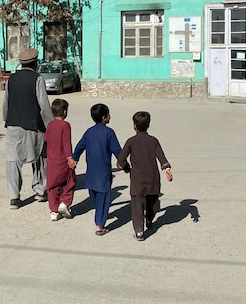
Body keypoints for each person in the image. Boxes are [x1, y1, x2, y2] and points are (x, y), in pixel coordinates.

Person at [3, 47, 53, 209]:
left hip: (13, 125)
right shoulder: (37, 79)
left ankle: (14, 197)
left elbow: (6, 102)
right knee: (39, 157)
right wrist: (51, 126)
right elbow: (44, 106)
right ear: (35, 63)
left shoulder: (11, 79)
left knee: (13, 161)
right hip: (33, 126)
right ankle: (40, 190)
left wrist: (7, 119)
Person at [116, 111, 173, 241]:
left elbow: (121, 161)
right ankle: (149, 219)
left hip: (137, 179)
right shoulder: (153, 141)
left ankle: (139, 231)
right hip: (153, 177)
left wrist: (125, 168)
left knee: (137, 205)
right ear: (149, 125)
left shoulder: (131, 141)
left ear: (134, 126)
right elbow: (161, 157)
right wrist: (167, 169)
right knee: (153, 201)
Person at [69, 103, 121, 236]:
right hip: (103, 172)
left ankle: (99, 214)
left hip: (90, 173)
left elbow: (80, 146)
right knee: (104, 198)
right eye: (108, 114)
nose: (110, 116)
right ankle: (100, 225)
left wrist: (75, 158)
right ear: (104, 117)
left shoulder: (89, 132)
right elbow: (117, 150)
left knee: (94, 196)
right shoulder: (109, 133)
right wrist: (124, 164)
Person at [45, 98, 74, 221]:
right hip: (63, 160)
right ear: (65, 111)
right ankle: (64, 203)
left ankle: (54, 210)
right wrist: (70, 158)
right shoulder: (65, 125)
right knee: (70, 182)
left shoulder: (50, 125)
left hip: (52, 161)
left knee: (53, 186)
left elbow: (46, 139)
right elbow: (66, 143)